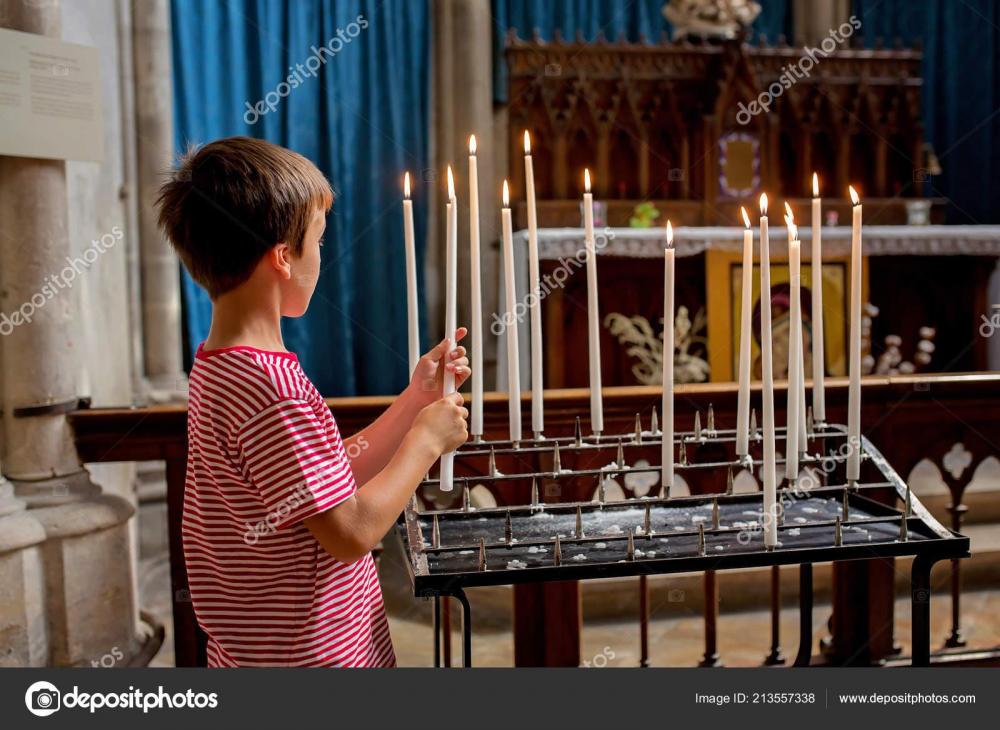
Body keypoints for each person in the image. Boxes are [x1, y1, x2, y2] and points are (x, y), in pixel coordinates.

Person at [156, 136, 469, 667]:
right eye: (319, 241)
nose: (321, 256)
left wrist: (414, 401)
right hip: (311, 658)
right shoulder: (272, 389)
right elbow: (349, 532)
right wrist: (424, 443)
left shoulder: (221, 363)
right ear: (282, 257)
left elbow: (320, 482)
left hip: (265, 654)